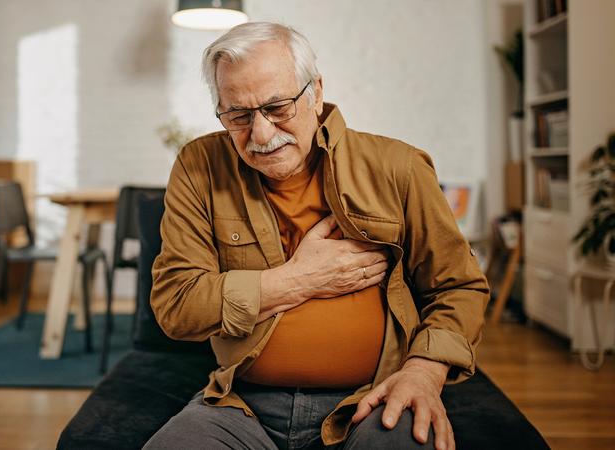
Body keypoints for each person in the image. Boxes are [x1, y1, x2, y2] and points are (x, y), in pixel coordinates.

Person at [145, 22, 488, 450]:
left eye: (278, 107)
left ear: (316, 92)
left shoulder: (398, 167)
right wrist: (301, 278)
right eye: (238, 114)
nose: (262, 134)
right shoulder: (199, 166)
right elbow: (177, 306)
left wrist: (424, 372)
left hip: (374, 396)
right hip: (240, 403)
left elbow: (459, 287)